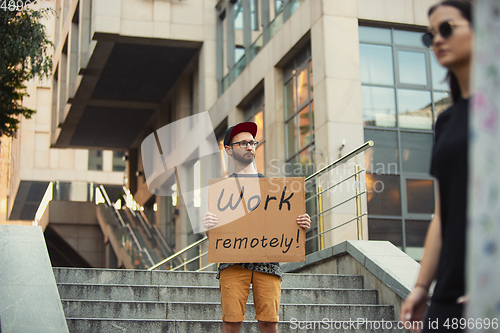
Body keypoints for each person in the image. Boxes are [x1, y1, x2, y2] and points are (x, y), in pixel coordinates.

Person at [400, 0, 473, 332]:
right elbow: (443, 213)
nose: (438, 40)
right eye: (431, 36)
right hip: (448, 288)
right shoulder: (446, 121)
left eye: (447, 28)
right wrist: (420, 286)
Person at [202, 122, 311, 333]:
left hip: (267, 262)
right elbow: (216, 236)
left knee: (270, 323)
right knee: (231, 323)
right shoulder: (221, 190)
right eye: (243, 143)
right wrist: (209, 226)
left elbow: (282, 224)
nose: (250, 146)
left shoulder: (274, 189)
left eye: (252, 142)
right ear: (229, 149)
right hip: (232, 263)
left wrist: (300, 224)